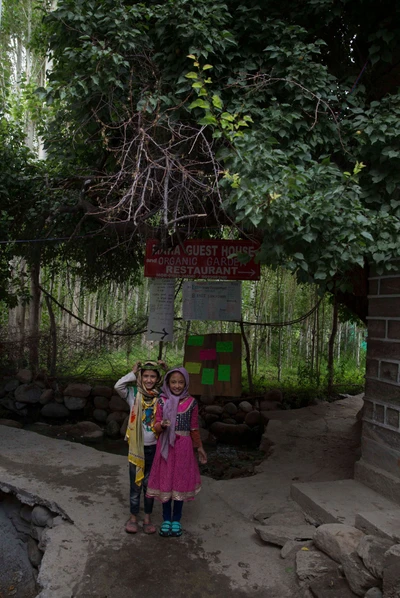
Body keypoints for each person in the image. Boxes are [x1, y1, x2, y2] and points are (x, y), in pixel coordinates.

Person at [146, 366, 207, 537]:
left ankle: (176, 520)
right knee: (166, 482)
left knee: (179, 483)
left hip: (184, 447)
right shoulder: (161, 401)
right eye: (173, 382)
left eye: (181, 382)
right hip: (166, 447)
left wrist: (199, 447)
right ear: (167, 382)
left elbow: (194, 428)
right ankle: (166, 519)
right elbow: (156, 426)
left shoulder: (192, 402)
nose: (177, 385)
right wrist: (161, 425)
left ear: (186, 383)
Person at [114, 360, 166, 534]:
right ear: (140, 377)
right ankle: (133, 517)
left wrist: (166, 370)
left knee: (149, 485)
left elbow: (176, 388)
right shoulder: (133, 393)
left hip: (154, 447)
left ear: (158, 378)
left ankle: (147, 518)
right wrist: (133, 371)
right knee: (135, 485)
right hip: (136, 448)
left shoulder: (160, 395)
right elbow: (118, 386)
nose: (149, 380)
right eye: (145, 376)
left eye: (153, 376)